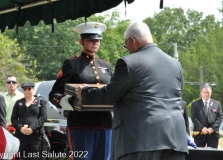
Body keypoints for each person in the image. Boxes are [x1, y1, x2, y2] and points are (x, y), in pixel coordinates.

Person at [77, 21, 188, 160]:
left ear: (132, 40)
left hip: (140, 140)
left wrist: (84, 92)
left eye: (126, 44)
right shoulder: (175, 63)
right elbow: (178, 96)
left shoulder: (129, 62)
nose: (127, 49)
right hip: (176, 139)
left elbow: (108, 96)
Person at [49, 22, 113, 160]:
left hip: (105, 123)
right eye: (91, 40)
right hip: (81, 124)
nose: (95, 43)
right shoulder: (71, 64)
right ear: (81, 41)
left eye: (98, 40)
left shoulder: (106, 65)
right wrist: (65, 101)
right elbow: (54, 94)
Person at [11, 82, 47, 160]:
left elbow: (43, 117)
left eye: (29, 88)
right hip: (21, 136)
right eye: (25, 89)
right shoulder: (18, 102)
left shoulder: (40, 101)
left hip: (36, 137)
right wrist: (21, 128)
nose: (27, 90)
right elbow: (13, 119)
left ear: (33, 89)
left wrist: (32, 128)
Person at [191, 84, 223, 148]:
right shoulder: (195, 104)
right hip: (199, 134)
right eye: (204, 92)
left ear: (211, 93)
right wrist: (202, 128)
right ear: (201, 93)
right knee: (199, 155)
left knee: (213, 156)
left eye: (208, 92)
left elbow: (220, 118)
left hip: (213, 134)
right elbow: (194, 117)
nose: (206, 94)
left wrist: (212, 128)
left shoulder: (217, 104)